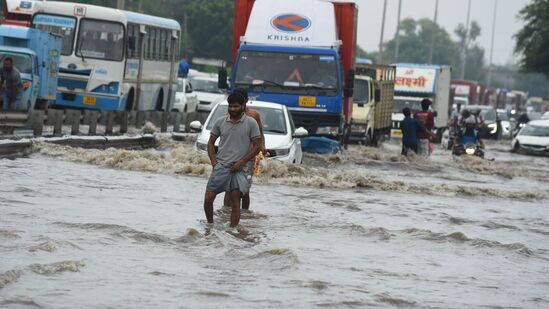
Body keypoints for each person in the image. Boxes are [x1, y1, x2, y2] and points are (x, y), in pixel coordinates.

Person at [203, 92, 261, 227]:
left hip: (241, 169)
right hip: (221, 166)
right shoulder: (220, 121)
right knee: (208, 199)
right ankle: (210, 226)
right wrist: (214, 163)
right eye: (230, 106)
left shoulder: (251, 123)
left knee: (236, 201)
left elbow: (257, 146)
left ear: (243, 106)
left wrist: (241, 162)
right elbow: (210, 143)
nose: (233, 109)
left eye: (236, 106)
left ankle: (233, 230)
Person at [223, 88, 266, 211]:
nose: (234, 108)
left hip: (249, 157)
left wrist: (262, 147)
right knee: (228, 187)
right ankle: (226, 212)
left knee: (245, 188)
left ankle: (245, 214)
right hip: (231, 156)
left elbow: (260, 134)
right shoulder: (228, 116)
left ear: (245, 101)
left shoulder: (254, 115)